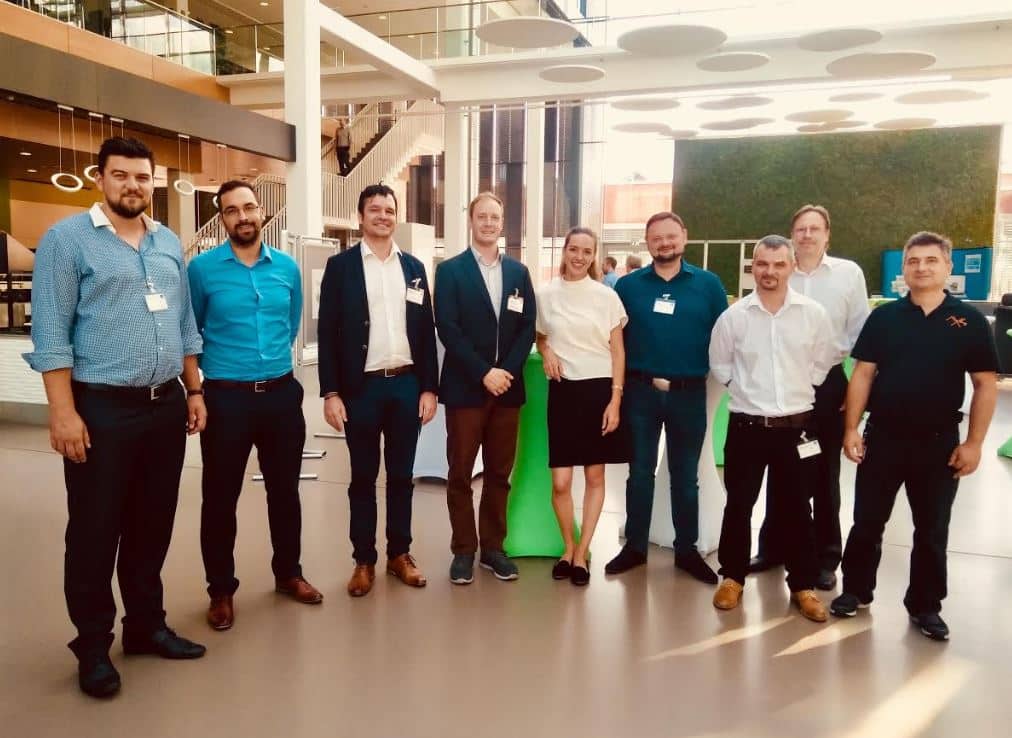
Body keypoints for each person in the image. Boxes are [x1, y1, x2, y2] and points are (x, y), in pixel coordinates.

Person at [24, 136, 207, 698]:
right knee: (95, 530)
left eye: (142, 177)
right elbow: (50, 333)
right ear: (99, 177)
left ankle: (146, 626)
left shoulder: (168, 241)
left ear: (153, 182)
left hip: (165, 404)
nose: (133, 185)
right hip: (101, 407)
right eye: (121, 175)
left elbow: (183, 323)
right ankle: (92, 646)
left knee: (153, 525)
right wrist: (63, 413)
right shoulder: (67, 240)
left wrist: (194, 389)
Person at [831, 231, 998, 641]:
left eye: (931, 260)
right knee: (867, 521)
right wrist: (851, 428)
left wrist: (974, 443)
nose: (921, 267)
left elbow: (985, 384)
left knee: (932, 529)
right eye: (913, 261)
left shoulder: (970, 322)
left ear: (948, 267)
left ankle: (925, 605)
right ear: (904, 268)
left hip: (939, 444)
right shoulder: (884, 318)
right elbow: (863, 374)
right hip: (883, 438)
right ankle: (856, 590)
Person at [187, 180, 322, 632]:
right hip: (226, 399)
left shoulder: (286, 267)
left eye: (248, 207)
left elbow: (291, 323)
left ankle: (288, 573)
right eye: (231, 210)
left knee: (285, 493)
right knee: (220, 498)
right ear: (222, 218)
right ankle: (221, 590)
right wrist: (198, 390)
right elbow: (191, 333)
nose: (242, 216)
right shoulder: (202, 270)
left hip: (281, 395)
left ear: (261, 210)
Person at [318, 184, 438, 597]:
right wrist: (331, 392)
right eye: (375, 209)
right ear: (361, 217)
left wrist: (429, 388)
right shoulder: (341, 267)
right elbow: (327, 332)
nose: (383, 216)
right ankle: (364, 560)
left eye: (389, 210)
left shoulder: (414, 267)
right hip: (361, 390)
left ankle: (399, 554)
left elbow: (425, 332)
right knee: (363, 478)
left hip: (406, 385)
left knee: (402, 477)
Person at [709, 235, 834, 622]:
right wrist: (746, 391)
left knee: (797, 508)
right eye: (762, 264)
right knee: (738, 504)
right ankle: (732, 577)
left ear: (791, 266)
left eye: (779, 264)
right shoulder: (735, 317)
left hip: (797, 428)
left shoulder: (813, 315)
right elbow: (721, 365)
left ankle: (803, 585)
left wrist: (797, 392)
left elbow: (822, 363)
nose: (770, 271)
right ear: (753, 267)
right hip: (747, 427)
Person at [749, 205, 870, 590]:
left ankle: (826, 556)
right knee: (779, 466)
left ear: (827, 234)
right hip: (781, 382)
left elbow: (862, 337)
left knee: (824, 473)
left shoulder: (848, 274)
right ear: (792, 234)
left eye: (814, 229)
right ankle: (772, 548)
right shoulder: (778, 270)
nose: (807, 235)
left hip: (829, 384)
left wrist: (853, 389)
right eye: (800, 229)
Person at [606, 212, 727, 583]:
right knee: (639, 473)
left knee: (685, 477)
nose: (664, 243)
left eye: (671, 236)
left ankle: (686, 550)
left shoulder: (708, 285)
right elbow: (613, 338)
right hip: (639, 394)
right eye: (656, 237)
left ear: (684, 237)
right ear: (647, 242)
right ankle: (635, 547)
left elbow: (726, 336)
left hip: (688, 395)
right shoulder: (628, 286)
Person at [434, 192, 536, 584]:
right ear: (471, 220)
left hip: (507, 391)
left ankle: (493, 548)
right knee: (460, 472)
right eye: (482, 216)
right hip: (466, 389)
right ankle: (463, 549)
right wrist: (483, 373)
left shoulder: (518, 273)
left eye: (495, 216)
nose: (489, 223)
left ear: (502, 222)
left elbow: (527, 327)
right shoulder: (451, 271)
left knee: (499, 472)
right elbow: (448, 327)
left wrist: (504, 371)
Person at [536, 227, 628, 585]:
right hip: (563, 391)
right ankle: (567, 545)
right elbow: (540, 335)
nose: (579, 256)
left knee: (594, 476)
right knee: (561, 482)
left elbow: (618, 351)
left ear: (594, 256)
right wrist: (546, 350)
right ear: (565, 250)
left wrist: (616, 399)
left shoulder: (607, 297)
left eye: (587, 251)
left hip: (599, 390)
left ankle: (580, 554)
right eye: (574, 249)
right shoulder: (546, 294)